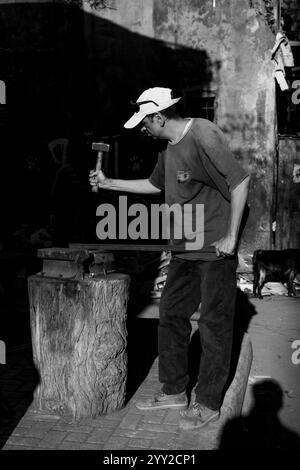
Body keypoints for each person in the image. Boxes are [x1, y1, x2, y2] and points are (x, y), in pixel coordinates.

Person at [89, 87, 250, 430]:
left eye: (145, 123)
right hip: (184, 248)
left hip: (215, 249)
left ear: (159, 117)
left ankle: (207, 402)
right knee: (171, 313)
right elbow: (154, 184)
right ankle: (175, 389)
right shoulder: (167, 148)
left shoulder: (203, 134)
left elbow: (240, 181)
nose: (143, 129)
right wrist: (109, 182)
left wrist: (232, 237)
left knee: (213, 326)